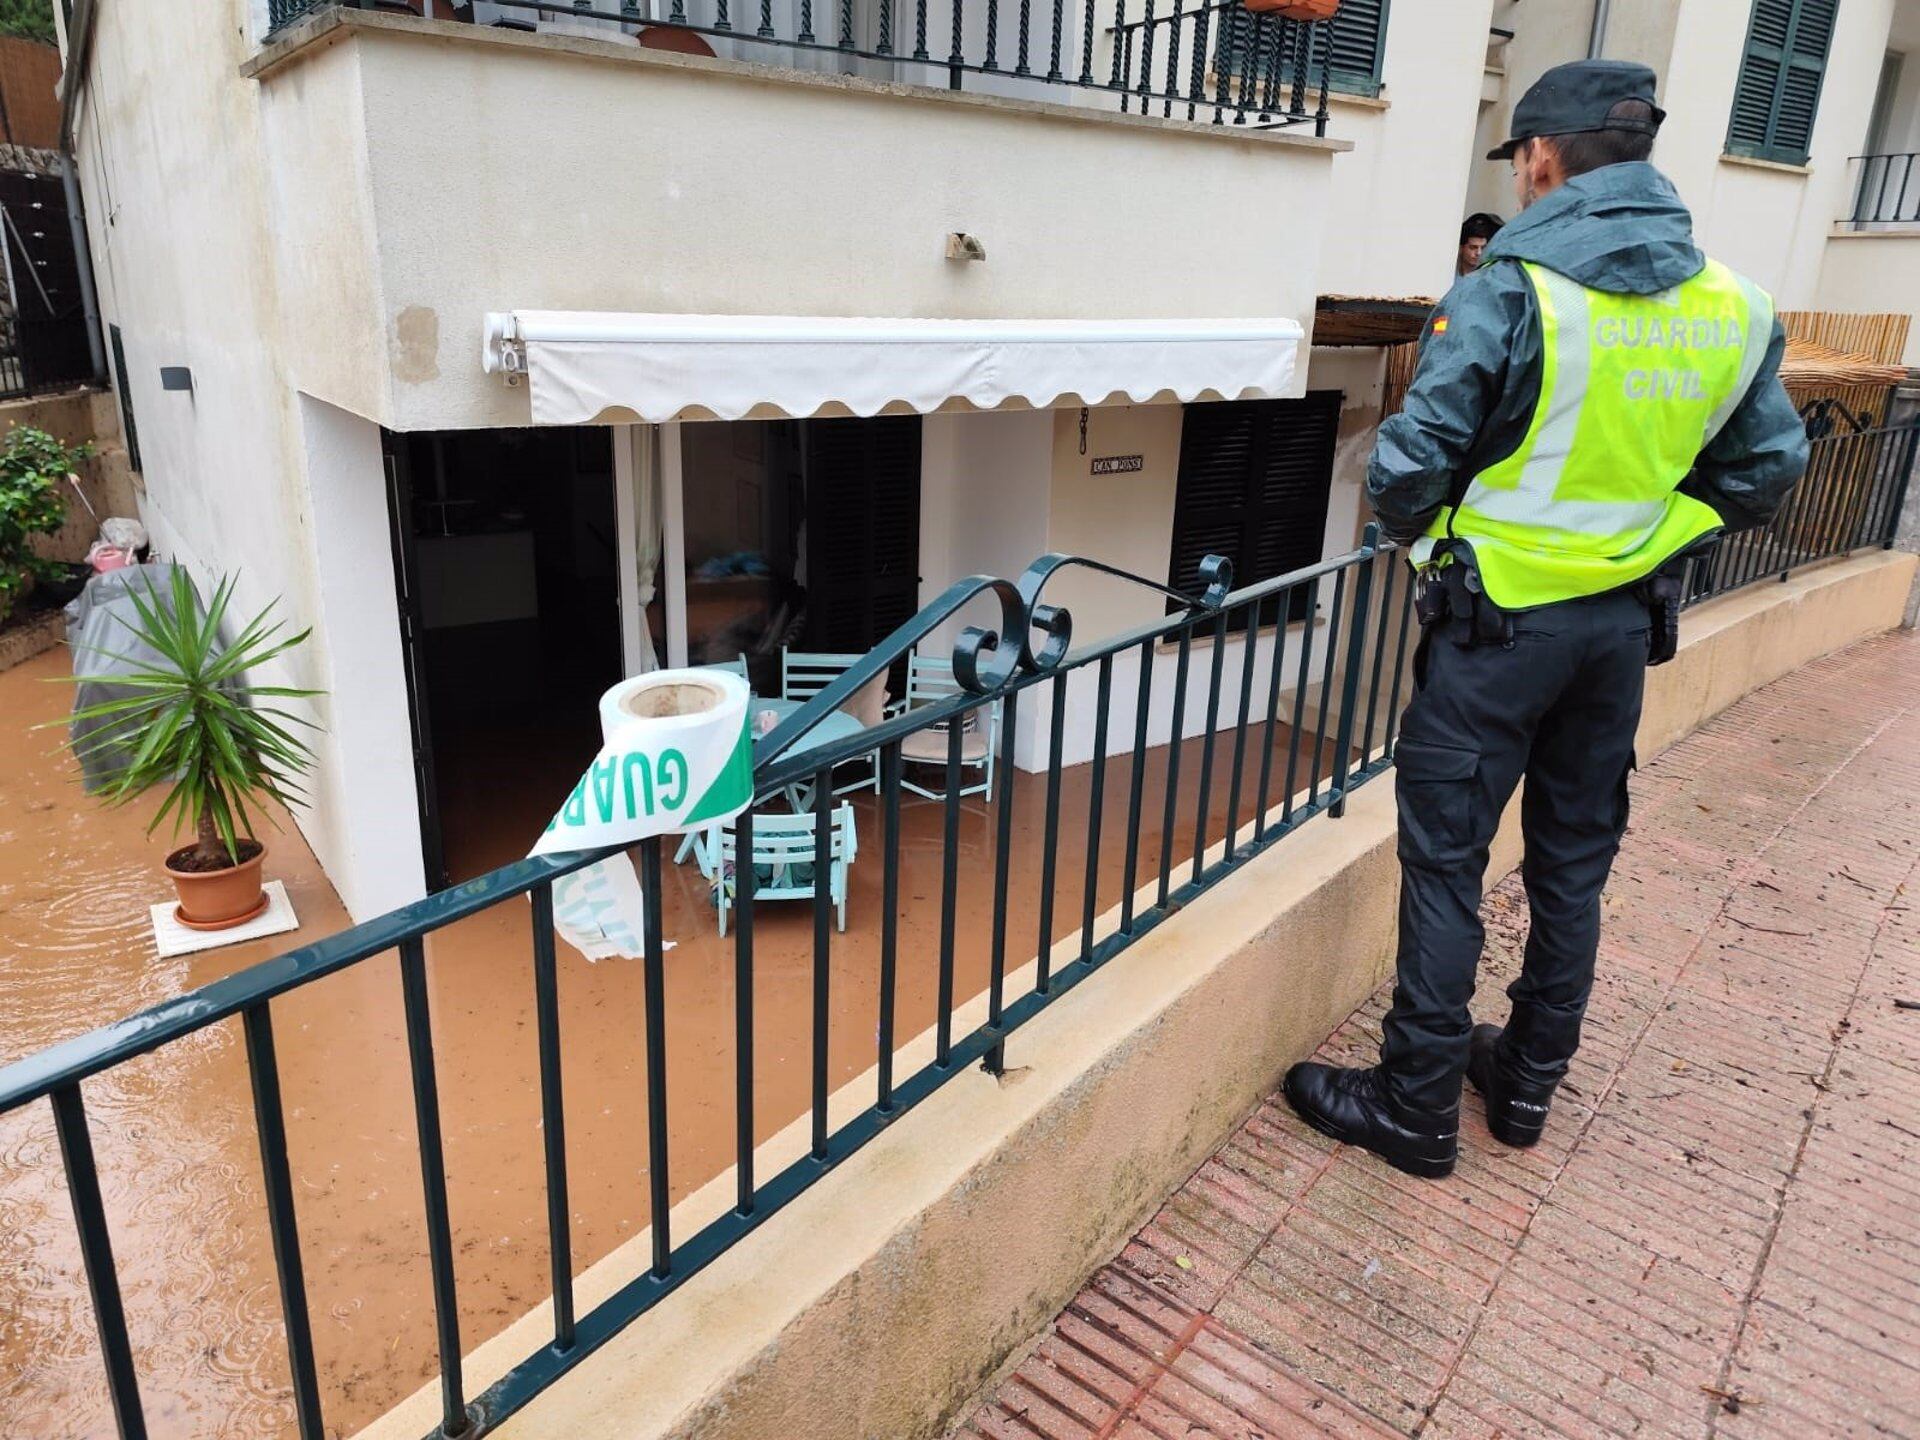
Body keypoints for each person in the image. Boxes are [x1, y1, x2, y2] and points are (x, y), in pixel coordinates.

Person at [1282, 60, 1808, 1178]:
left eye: (1520, 161)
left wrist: (1435, 540)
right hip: (1620, 633)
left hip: (1498, 629)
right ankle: (1522, 1086)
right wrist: (1649, 533)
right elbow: (1764, 475)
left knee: (1446, 869)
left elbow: (1407, 468)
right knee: (1572, 867)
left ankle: (1415, 1107)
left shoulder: (1510, 284)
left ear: (1540, 157)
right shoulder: (1735, 303)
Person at [1457, 212, 1503, 276]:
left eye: (1483, 248)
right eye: (1473, 247)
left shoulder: (1492, 278)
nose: (1479, 253)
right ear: (1461, 248)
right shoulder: (1449, 276)